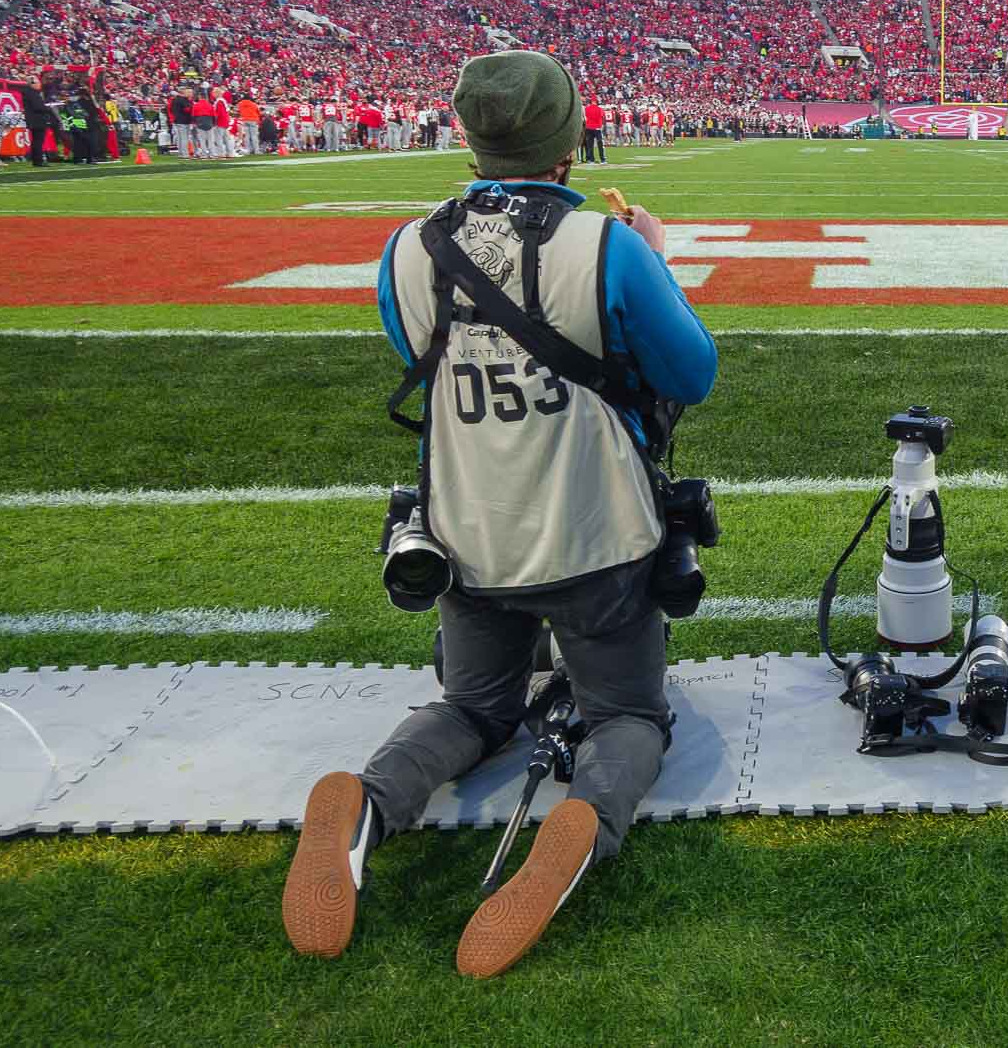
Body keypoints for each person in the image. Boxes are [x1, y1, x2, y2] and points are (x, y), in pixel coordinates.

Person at [282, 50, 718, 978]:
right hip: (594, 531)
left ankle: (366, 802)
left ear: (471, 135)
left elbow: (416, 356)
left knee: (474, 705)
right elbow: (693, 374)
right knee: (629, 713)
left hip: (464, 526)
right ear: (569, 139)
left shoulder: (409, 245)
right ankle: (581, 824)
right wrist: (655, 257)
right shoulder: (605, 245)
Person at [582, 96, 606, 163]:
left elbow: (585, 117)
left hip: (588, 127)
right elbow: (601, 117)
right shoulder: (599, 109)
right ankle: (602, 159)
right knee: (600, 144)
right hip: (597, 127)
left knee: (590, 145)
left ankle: (591, 159)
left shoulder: (586, 109)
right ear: (596, 101)